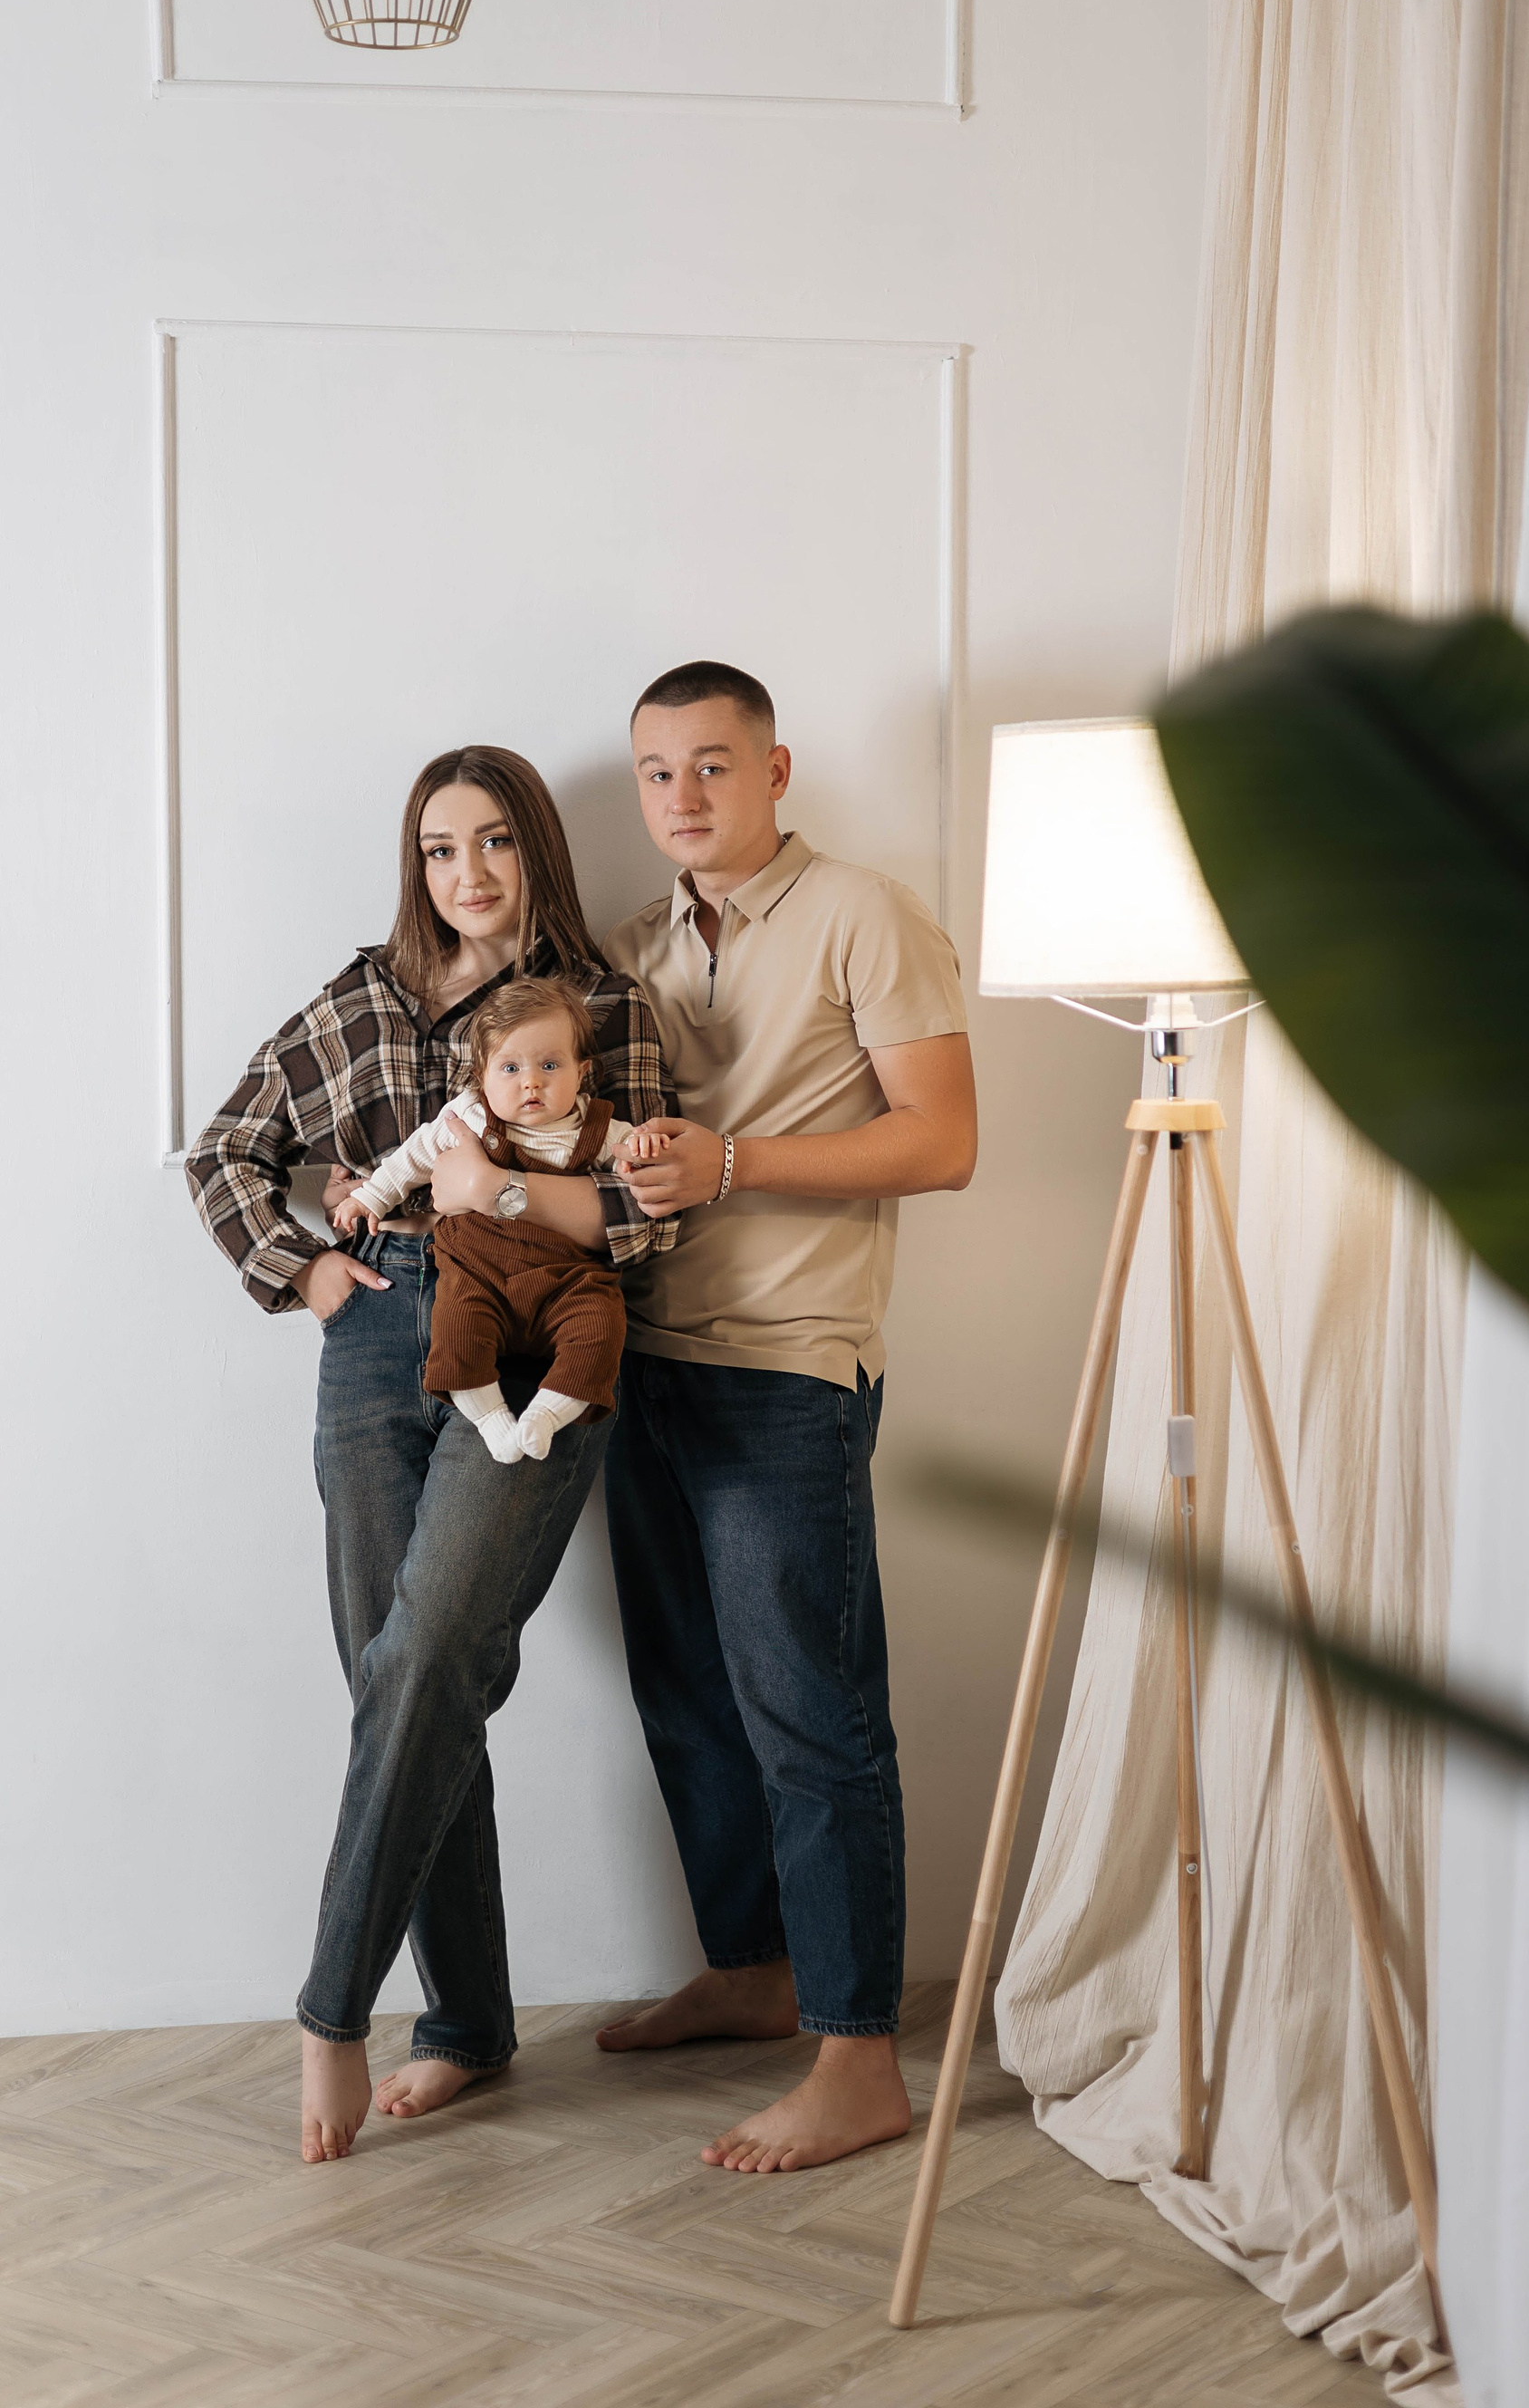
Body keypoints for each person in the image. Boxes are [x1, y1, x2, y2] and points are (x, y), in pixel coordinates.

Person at [187, 745, 677, 2162]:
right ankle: (464, 2023)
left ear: (537, 851)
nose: (468, 873)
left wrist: (503, 1195)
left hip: (539, 1351)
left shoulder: (605, 1008)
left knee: (425, 1659)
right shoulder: (361, 1001)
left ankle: (333, 2009)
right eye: (441, 848)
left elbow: (650, 1218)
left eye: (495, 842)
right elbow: (227, 1149)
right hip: (372, 1341)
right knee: (399, 1679)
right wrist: (305, 1269)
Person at [598, 660, 978, 2173]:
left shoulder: (866, 914)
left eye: (712, 763)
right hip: (646, 1363)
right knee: (689, 1699)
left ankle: (859, 2057)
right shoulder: (632, 948)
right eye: (656, 771)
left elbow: (943, 1143)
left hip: (789, 1371)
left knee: (812, 1719)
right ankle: (754, 1973)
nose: (682, 795)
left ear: (776, 769)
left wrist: (735, 1162)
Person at [334, 976, 649, 1464]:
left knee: (602, 1328)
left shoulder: (601, 1128)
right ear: (481, 1075)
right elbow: (414, 1156)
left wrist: (643, 1151)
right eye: (510, 1068)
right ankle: (492, 1420)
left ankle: (547, 1413)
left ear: (582, 1072)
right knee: (457, 1332)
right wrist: (371, 1197)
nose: (531, 1082)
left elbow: (636, 1165)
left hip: (567, 1276)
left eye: (550, 1066)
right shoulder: (472, 1116)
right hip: (478, 1269)